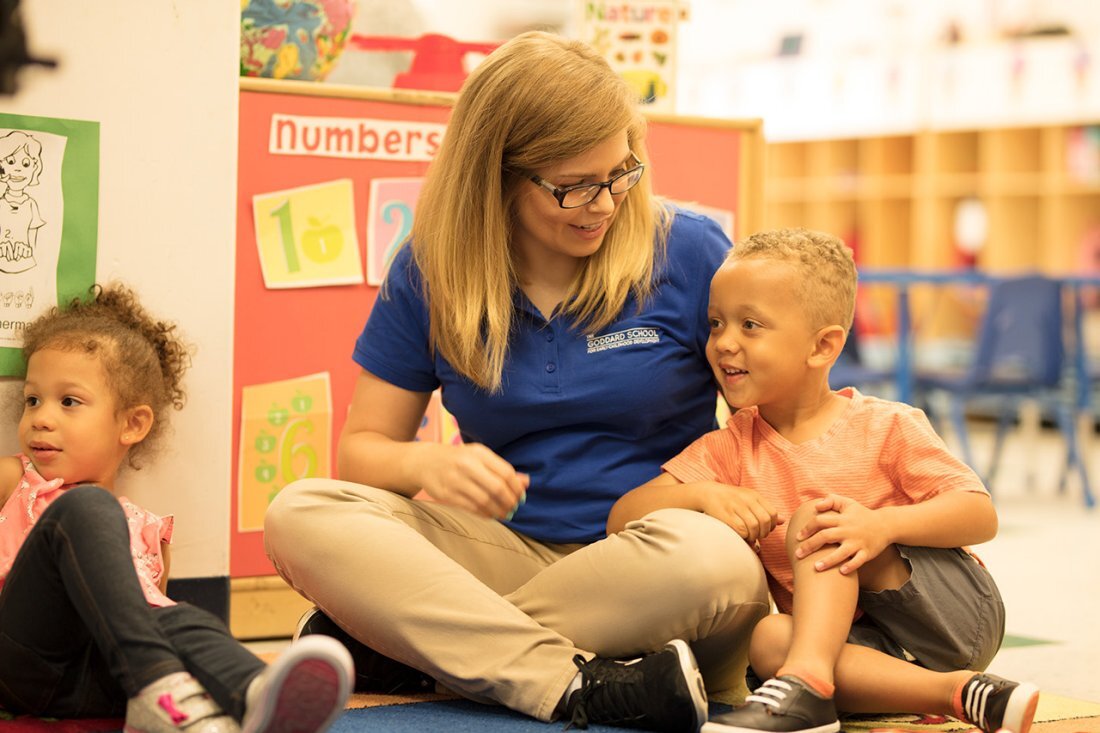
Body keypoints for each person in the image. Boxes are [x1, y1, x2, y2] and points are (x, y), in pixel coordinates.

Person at [264, 30, 771, 733]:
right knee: (300, 512)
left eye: (621, 172)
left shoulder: (688, 248)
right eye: (573, 187)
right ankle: (577, 682)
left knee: (713, 561)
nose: (605, 203)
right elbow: (364, 451)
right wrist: (427, 461)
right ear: (496, 175)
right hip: (503, 551)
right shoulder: (430, 270)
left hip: (660, 560)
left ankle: (425, 652)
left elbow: (785, 420)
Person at [608, 228, 1040, 733]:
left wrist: (880, 527)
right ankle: (958, 693)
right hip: (864, 650)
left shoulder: (887, 424)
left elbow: (978, 513)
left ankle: (808, 681)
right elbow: (624, 517)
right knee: (768, 641)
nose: (723, 342)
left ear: (823, 346)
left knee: (819, 520)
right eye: (715, 323)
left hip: (954, 616)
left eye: (750, 325)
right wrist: (702, 495)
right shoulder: (729, 448)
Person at [0, 284, 354, 733]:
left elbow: (141, 621)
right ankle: (160, 686)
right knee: (86, 507)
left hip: (97, 685)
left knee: (180, 617)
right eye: (33, 399)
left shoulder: (148, 532)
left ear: (132, 424)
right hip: (21, 660)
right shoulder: (16, 480)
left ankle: (255, 695)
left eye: (68, 401)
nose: (41, 417)